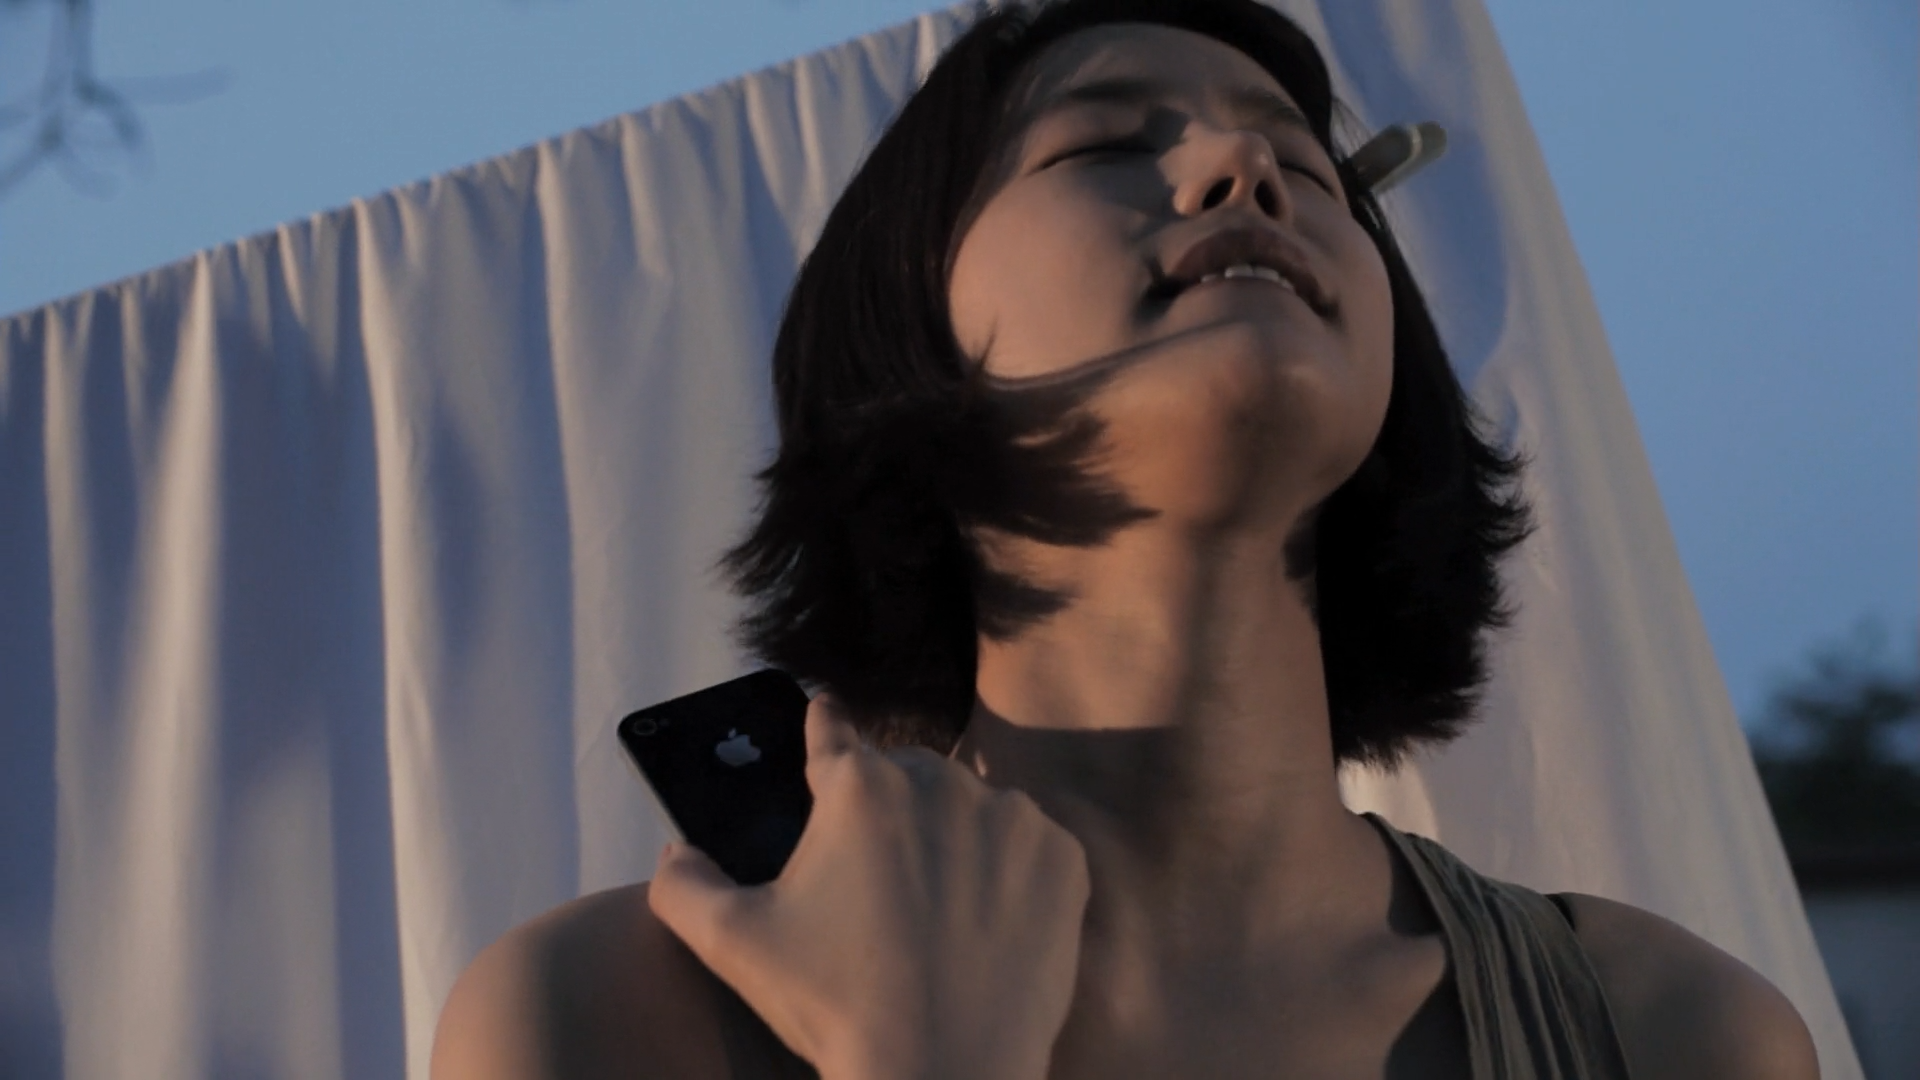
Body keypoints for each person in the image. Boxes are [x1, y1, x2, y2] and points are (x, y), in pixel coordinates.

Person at [430, 1, 1820, 1076]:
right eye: (1103, 144)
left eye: (1307, 165)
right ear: (908, 327)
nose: (1245, 167)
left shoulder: (1672, 1033)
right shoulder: (608, 1018)